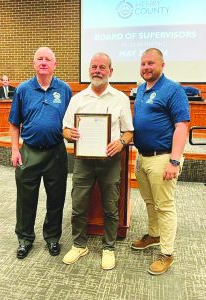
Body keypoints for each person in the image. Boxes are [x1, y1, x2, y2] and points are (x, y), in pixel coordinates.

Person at [62, 52, 134, 270]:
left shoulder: (120, 98)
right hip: (83, 161)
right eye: (94, 67)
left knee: (111, 206)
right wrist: (69, 134)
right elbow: (64, 129)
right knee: (79, 204)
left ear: (110, 72)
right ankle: (79, 244)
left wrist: (121, 143)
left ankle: (109, 247)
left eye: (102, 67)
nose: (97, 70)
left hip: (110, 161)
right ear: (89, 70)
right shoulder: (77, 99)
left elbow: (129, 131)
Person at [9, 47, 72, 259]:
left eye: (48, 59)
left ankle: (53, 237)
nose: (43, 62)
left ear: (55, 64)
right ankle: (25, 239)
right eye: (39, 59)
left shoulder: (64, 89)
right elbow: (14, 123)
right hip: (29, 152)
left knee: (56, 198)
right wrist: (15, 150)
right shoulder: (23, 90)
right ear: (34, 63)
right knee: (26, 199)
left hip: (56, 152)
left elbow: (72, 121)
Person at [131, 48, 190, 275]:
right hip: (142, 156)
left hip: (163, 157)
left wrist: (174, 162)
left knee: (164, 206)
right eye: (143, 63)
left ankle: (167, 253)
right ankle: (154, 235)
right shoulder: (141, 90)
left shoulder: (172, 90)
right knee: (149, 201)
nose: (146, 67)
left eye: (151, 63)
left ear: (162, 65)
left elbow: (181, 126)